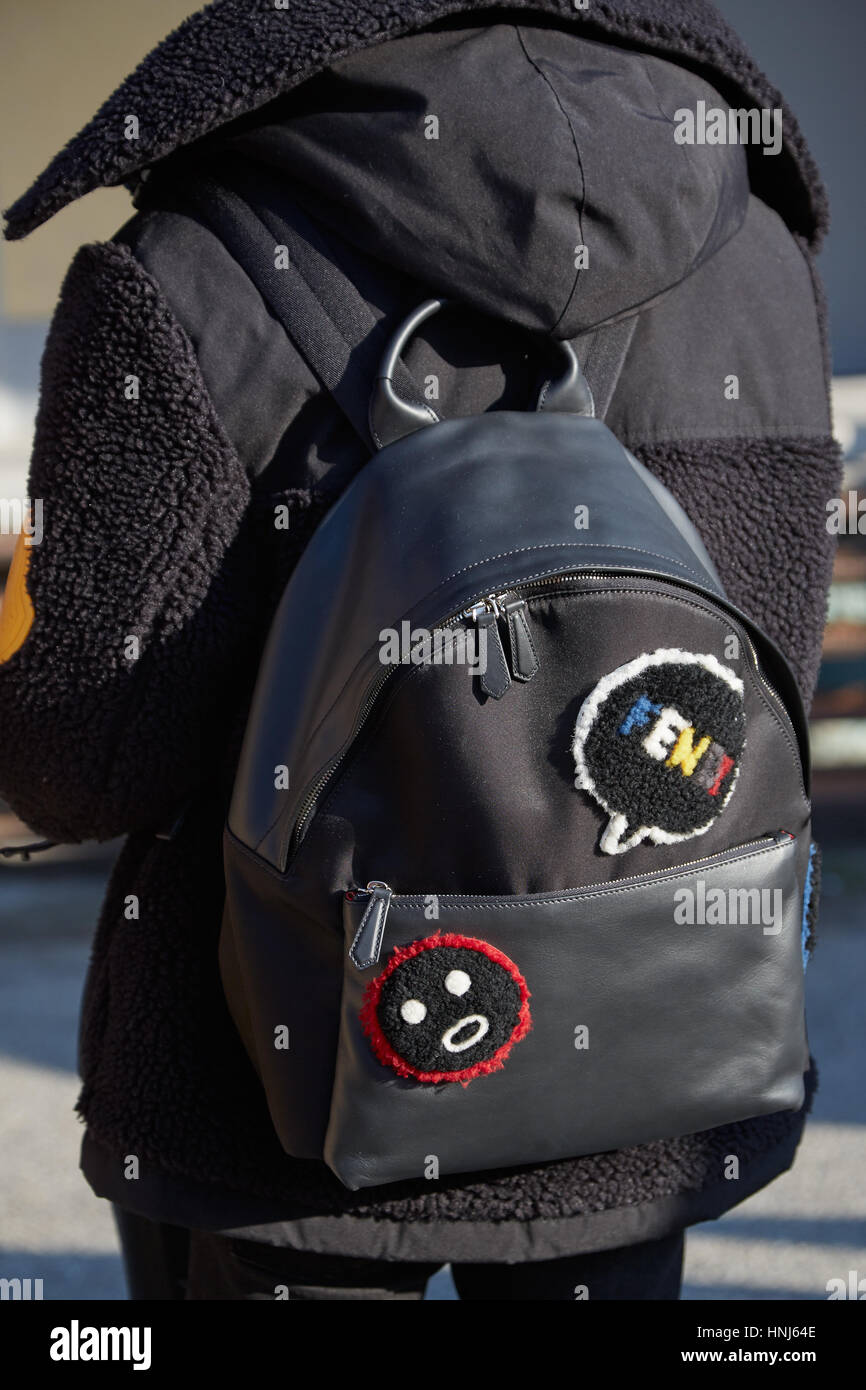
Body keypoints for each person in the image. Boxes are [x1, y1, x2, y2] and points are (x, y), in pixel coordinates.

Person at [0, 0, 839, 1300]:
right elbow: (758, 669)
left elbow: (83, 760)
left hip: (268, 1099)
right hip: (644, 1055)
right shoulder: (756, 248)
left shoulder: (182, 264)